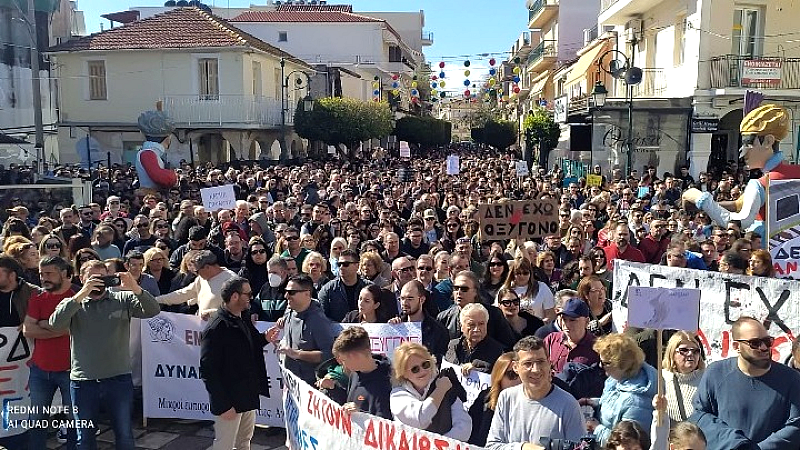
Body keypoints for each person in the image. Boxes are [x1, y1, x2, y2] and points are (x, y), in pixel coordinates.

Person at [49, 259, 160, 450]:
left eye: (102, 278)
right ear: (81, 278)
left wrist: (135, 287)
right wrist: (82, 294)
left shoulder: (122, 299)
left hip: (118, 379)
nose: (98, 282)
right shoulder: (73, 303)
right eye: (92, 278)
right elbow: (55, 324)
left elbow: (152, 310)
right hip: (83, 382)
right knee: (84, 438)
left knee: (124, 434)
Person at [690, 316, 800, 450]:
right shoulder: (715, 373)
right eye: (755, 343)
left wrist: (759, 449)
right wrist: (735, 443)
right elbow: (700, 415)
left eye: (767, 341)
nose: (764, 347)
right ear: (737, 346)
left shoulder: (792, 379)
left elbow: (796, 425)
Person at [200, 276, 269, 450]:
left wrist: (265, 338)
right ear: (235, 297)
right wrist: (223, 405)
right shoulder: (217, 327)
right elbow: (208, 370)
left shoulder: (243, 317)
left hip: (247, 394)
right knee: (224, 445)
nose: (251, 297)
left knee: (244, 442)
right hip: (229, 400)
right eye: (248, 294)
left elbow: (251, 344)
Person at [485, 336, 586, 450]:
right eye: (528, 363)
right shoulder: (507, 398)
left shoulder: (568, 405)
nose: (536, 369)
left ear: (549, 363)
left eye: (540, 362)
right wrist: (522, 447)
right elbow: (492, 446)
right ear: (516, 367)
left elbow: (579, 447)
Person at [23, 256, 77, 450]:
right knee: (37, 420)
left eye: (48, 274)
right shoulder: (37, 297)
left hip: (70, 370)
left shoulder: (75, 299)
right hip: (40, 369)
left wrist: (44, 324)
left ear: (64, 274)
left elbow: (76, 330)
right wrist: (59, 328)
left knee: (74, 420)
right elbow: (28, 330)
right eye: (41, 274)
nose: (43, 278)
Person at [266, 275, 340, 385]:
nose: (286, 296)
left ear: (307, 293)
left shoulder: (318, 320)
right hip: (291, 382)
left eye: (292, 292)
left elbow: (329, 354)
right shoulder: (289, 310)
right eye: (286, 291)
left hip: (309, 387)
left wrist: (297, 354)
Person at [390, 342, 472, 440]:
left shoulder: (446, 387)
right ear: (403, 374)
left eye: (425, 364)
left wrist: (440, 445)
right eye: (415, 369)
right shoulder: (397, 395)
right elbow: (421, 419)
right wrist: (440, 390)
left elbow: (464, 427)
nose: (422, 371)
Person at [588, 333, 658, 446]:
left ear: (621, 364)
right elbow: (614, 404)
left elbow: (627, 444)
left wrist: (596, 429)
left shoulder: (637, 402)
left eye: (605, 363)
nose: (600, 366)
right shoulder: (615, 379)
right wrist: (594, 402)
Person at [333, 326, 393, 419]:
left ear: (355, 356)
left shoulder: (386, 382)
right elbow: (350, 400)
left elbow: (385, 423)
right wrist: (333, 388)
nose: (342, 364)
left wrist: (360, 414)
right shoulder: (355, 374)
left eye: (343, 360)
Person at [157, 250, 237, 319]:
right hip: (204, 329)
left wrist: (212, 313)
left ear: (207, 267)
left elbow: (238, 306)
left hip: (225, 329)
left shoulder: (231, 279)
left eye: (197, 271)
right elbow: (183, 294)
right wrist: (157, 300)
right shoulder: (201, 279)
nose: (196, 274)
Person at [468, 352, 521, 446]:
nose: (519, 380)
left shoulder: (531, 402)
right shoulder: (485, 397)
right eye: (512, 375)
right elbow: (472, 431)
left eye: (521, 375)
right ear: (499, 375)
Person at [392, 280, 449, 364]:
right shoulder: (396, 325)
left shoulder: (437, 330)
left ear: (422, 299)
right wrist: (390, 329)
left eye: (410, 298)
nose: (404, 303)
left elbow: (440, 361)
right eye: (402, 298)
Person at [444, 303, 505, 375]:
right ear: (461, 326)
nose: (476, 329)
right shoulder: (452, 345)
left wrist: (475, 371)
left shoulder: (497, 351)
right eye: (472, 325)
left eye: (481, 324)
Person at [543, 298, 599, 373]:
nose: (567, 324)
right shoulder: (551, 339)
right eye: (564, 319)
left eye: (572, 320)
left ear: (586, 321)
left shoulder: (597, 347)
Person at [660, 332, 705, 425]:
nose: (690, 354)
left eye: (695, 351)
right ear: (672, 353)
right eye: (684, 350)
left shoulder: (707, 378)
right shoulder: (660, 379)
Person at [318, 249, 373, 322]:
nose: (341, 267)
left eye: (345, 264)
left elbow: (380, 312)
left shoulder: (370, 288)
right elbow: (322, 317)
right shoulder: (327, 290)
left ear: (357, 266)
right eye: (339, 264)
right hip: (337, 331)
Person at [501, 257, 555, 322]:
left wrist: (540, 326)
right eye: (518, 273)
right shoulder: (505, 289)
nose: (522, 276)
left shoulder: (542, 287)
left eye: (525, 273)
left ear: (530, 273)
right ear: (512, 274)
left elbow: (551, 314)